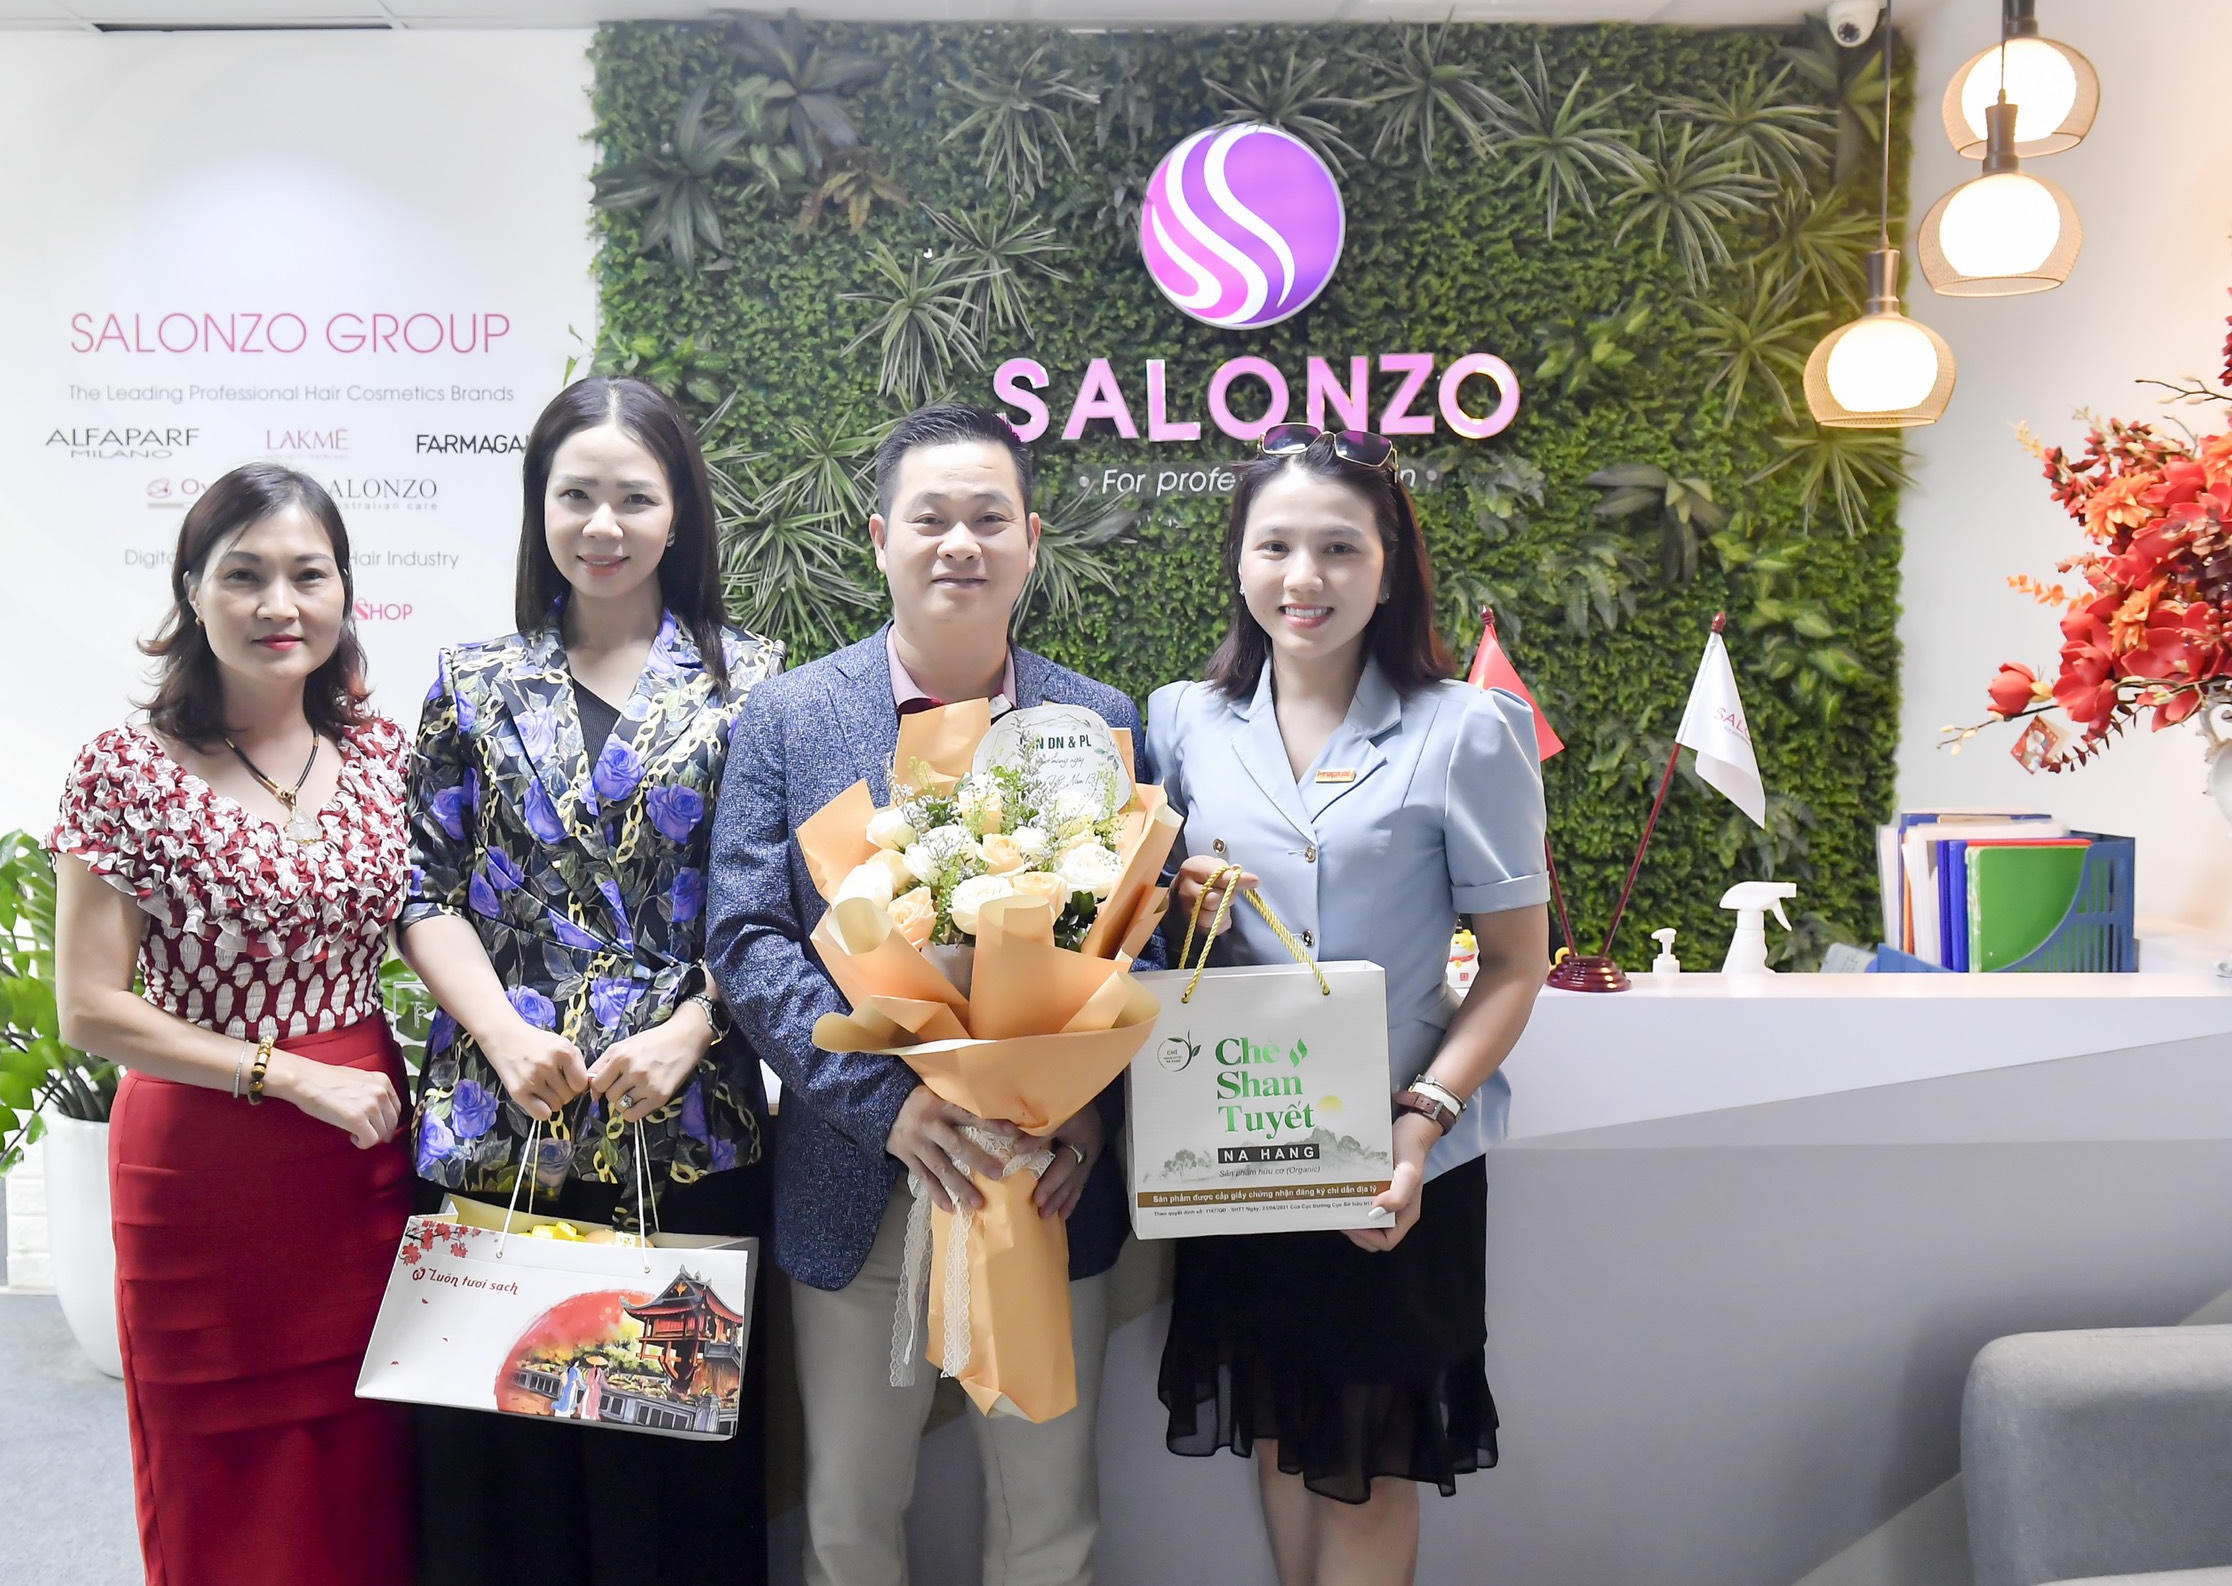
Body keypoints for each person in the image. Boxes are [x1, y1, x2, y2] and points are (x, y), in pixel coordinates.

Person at [706, 401, 1151, 1586]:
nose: (960, 542)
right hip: (861, 1177)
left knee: (1048, 1518)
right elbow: (746, 936)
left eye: (988, 518)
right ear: (880, 538)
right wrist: (883, 1103)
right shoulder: (791, 717)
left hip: (1042, 1177)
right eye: (931, 517)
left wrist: (1087, 1113)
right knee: (849, 1520)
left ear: (1030, 540)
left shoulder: (1099, 721)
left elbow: (1135, 945)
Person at [1149, 426, 1552, 1586]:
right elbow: (1149, 935)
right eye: (1273, 544)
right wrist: (1174, 899)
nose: (1303, 576)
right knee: (1283, 1438)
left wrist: (1419, 1123)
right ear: (1238, 559)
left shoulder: (1465, 727)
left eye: (1338, 546)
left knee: (1368, 1462)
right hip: (1242, 1144)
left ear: (1389, 565)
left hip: (1395, 1160)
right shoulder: (1181, 719)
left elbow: (1514, 964)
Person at [397, 375, 781, 1586]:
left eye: (633, 498)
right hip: (500, 1119)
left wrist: (695, 1026)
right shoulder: (471, 678)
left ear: (680, 513)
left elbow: (783, 903)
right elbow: (423, 887)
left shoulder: (755, 684)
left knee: (673, 1486)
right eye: (575, 496)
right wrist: (501, 1031)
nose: (602, 525)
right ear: (538, 506)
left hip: (687, 1121)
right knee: (501, 1474)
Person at [50, 462, 416, 1586]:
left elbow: (437, 926)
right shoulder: (125, 770)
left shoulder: (383, 756)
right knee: (217, 1464)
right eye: (244, 575)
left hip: (362, 1153)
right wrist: (287, 1073)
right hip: (206, 1160)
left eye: (310, 574)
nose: (279, 604)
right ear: (191, 592)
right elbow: (90, 1007)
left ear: (345, 591)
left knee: (368, 1455)